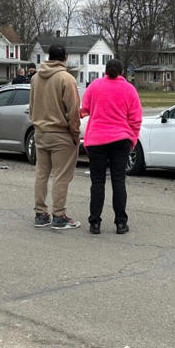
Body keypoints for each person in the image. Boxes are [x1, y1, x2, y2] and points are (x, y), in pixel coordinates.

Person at [80, 59, 142, 235]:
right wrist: (133, 139)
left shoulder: (95, 86)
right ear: (122, 72)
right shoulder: (129, 89)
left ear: (105, 71)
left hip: (97, 139)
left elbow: (85, 108)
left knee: (97, 182)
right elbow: (136, 118)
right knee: (118, 180)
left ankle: (95, 223)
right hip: (121, 139)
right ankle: (121, 223)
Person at [28, 44, 81, 230]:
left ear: (49, 57)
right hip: (60, 133)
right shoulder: (66, 79)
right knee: (61, 176)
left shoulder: (35, 78)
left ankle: (40, 213)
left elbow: (32, 105)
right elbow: (73, 111)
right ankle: (59, 215)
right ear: (65, 57)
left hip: (40, 132)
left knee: (41, 174)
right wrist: (75, 133)